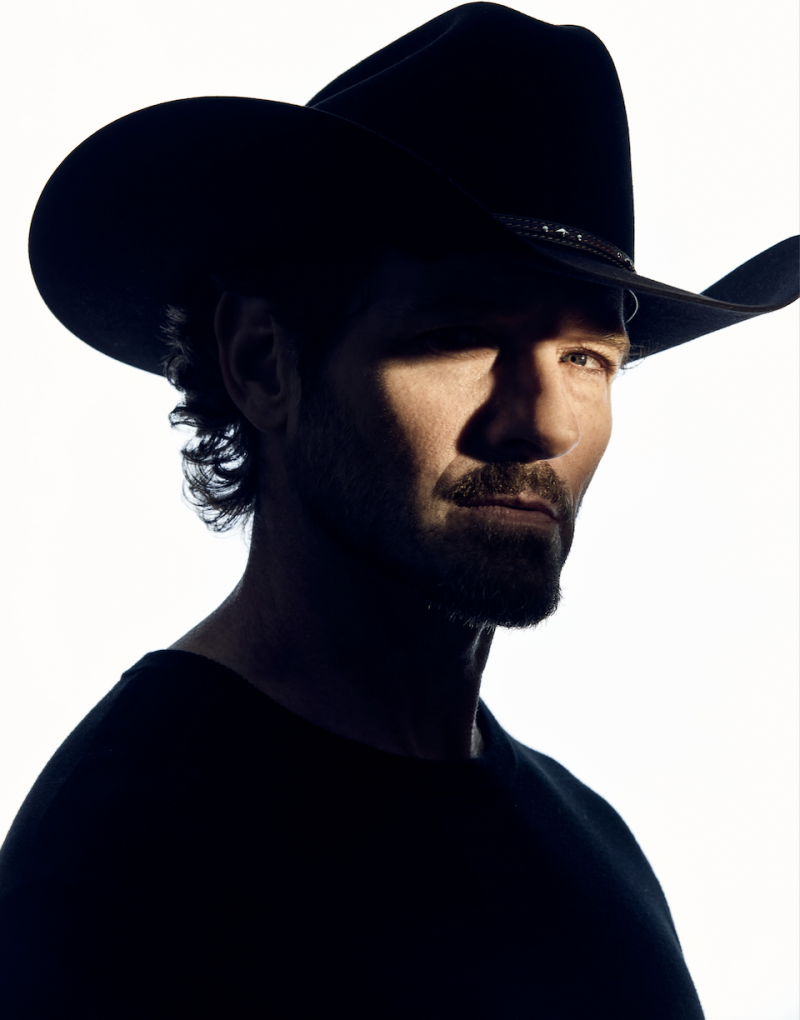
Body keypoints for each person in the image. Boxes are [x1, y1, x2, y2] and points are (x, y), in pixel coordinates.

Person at [0, 4, 796, 1017]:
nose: (542, 421)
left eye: (586, 357)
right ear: (263, 362)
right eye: (460, 337)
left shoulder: (591, 852)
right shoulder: (117, 878)